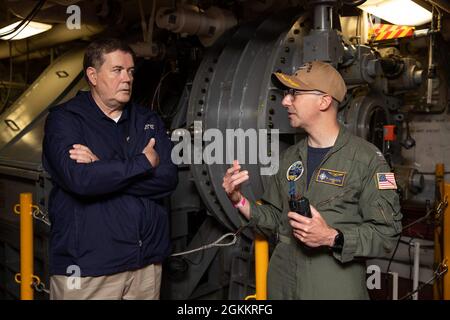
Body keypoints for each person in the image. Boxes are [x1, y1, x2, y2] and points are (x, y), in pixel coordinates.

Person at [222, 61, 402, 299]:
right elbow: (276, 220)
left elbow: (386, 234)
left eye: (294, 93)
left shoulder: (368, 160)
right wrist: (238, 200)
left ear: (324, 101)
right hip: (282, 287)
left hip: (331, 289)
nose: (285, 101)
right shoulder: (289, 157)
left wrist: (332, 237)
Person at [43, 38, 178, 299]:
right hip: (88, 269)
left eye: (130, 71)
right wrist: (142, 163)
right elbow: (80, 181)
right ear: (92, 75)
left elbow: (167, 178)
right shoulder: (65, 119)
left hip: (146, 266)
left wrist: (102, 169)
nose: (126, 78)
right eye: (117, 70)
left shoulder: (147, 120)